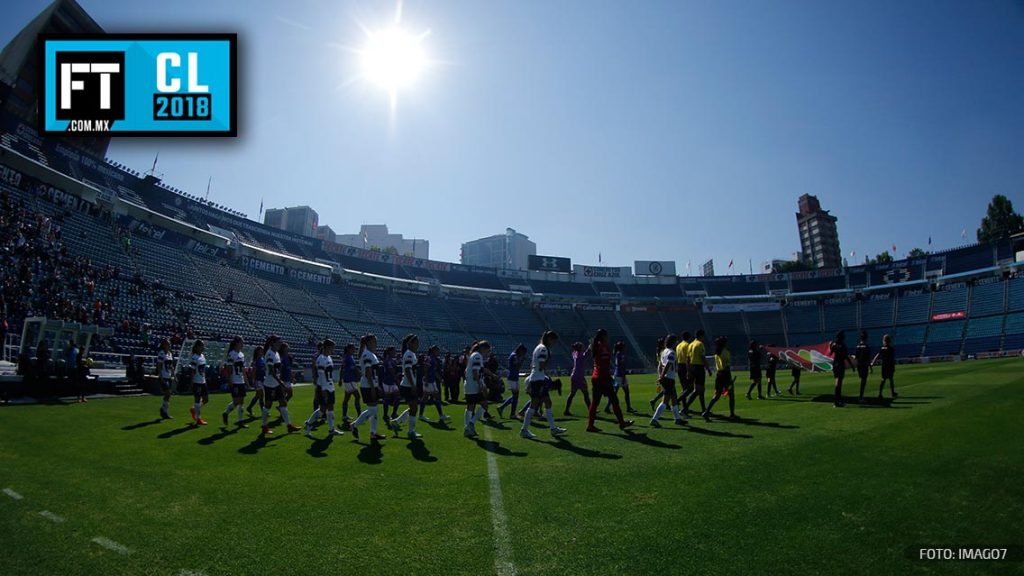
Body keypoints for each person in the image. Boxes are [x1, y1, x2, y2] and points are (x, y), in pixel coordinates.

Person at [520, 331, 568, 439]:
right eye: (554, 341)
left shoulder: (539, 347)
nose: (554, 343)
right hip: (538, 380)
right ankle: (524, 429)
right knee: (534, 404)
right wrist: (549, 359)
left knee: (547, 402)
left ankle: (553, 428)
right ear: (550, 339)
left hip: (537, 378)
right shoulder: (543, 349)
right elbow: (542, 366)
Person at [585, 332, 634, 432]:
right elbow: (603, 364)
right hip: (603, 378)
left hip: (596, 377)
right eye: (607, 336)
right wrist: (608, 377)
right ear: (604, 337)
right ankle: (621, 423)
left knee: (595, 403)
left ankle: (590, 425)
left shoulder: (595, 346)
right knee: (614, 401)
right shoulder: (603, 347)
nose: (608, 338)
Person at [349, 334, 387, 441]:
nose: (376, 343)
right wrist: (373, 387)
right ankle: (354, 425)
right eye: (374, 341)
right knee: (372, 410)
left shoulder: (368, 353)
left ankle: (373, 433)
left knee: (374, 410)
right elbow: (368, 372)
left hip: (371, 384)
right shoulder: (367, 354)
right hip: (368, 385)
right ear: (369, 342)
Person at [304, 338, 343, 437]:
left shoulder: (328, 357)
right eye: (332, 348)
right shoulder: (321, 359)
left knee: (329, 408)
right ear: (326, 347)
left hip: (330, 386)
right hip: (324, 387)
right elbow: (321, 376)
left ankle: (331, 429)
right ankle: (309, 424)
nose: (333, 350)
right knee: (322, 409)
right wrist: (323, 389)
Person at [261, 336, 300, 435]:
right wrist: (281, 383)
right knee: (268, 405)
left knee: (283, 403)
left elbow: (278, 370)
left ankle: (289, 425)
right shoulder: (269, 353)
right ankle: (264, 426)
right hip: (270, 384)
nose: (280, 344)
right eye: (278, 342)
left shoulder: (276, 353)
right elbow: (271, 371)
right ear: (273, 343)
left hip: (276, 383)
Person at [390, 334, 423, 439]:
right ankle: (411, 431)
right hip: (408, 385)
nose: (418, 344)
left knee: (413, 408)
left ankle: (397, 421)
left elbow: (411, 369)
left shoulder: (411, 354)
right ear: (411, 343)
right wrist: (413, 385)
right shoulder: (409, 354)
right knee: (414, 408)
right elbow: (408, 370)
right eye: (417, 342)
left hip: (408, 384)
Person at [650, 334, 685, 428]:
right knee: (665, 401)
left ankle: (677, 419)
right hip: (669, 378)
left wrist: (660, 375)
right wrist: (662, 376)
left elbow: (660, 365)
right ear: (673, 342)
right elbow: (668, 365)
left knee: (674, 399)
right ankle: (654, 419)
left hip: (667, 378)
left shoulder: (664, 351)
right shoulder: (671, 352)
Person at [463, 340, 498, 438]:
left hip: (469, 385)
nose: (488, 353)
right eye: (488, 350)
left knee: (470, 407)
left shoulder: (474, 355)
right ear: (483, 348)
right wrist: (481, 385)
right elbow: (475, 372)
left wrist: (492, 374)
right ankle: (471, 423)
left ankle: (467, 429)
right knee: (485, 405)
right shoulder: (477, 356)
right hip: (474, 385)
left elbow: (480, 369)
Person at [702, 336, 738, 421]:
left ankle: (706, 412)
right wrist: (729, 379)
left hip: (719, 375)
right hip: (725, 374)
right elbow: (726, 365)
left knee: (717, 396)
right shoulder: (725, 351)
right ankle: (732, 415)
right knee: (731, 395)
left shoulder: (717, 352)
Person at [221, 336, 249, 428]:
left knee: (241, 401)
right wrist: (230, 380)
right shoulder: (231, 354)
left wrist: (246, 380)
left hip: (240, 380)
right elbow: (229, 368)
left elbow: (243, 369)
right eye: (241, 342)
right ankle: (226, 413)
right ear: (237, 343)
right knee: (236, 401)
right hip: (235, 380)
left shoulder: (241, 354)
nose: (243, 344)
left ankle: (241, 421)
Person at [418, 345, 449, 422]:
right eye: (437, 350)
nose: (438, 352)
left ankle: (421, 415)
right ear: (434, 351)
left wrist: (440, 379)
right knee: (435, 397)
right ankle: (440, 415)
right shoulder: (429, 358)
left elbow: (434, 371)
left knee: (426, 397)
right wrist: (426, 378)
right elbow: (425, 368)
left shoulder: (434, 359)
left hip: (431, 380)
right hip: (429, 381)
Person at [497, 344, 527, 419]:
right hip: (512, 377)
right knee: (515, 396)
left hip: (514, 377)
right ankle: (512, 414)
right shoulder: (514, 356)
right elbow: (517, 366)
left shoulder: (514, 355)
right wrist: (522, 359)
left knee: (515, 396)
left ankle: (502, 408)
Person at [564, 342, 591, 416]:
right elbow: (587, 354)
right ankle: (591, 410)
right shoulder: (580, 354)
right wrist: (590, 346)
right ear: (580, 348)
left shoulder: (575, 353)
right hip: (579, 376)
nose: (583, 347)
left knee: (572, 394)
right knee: (586, 394)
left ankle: (566, 410)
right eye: (582, 346)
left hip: (574, 375)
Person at [829, 331, 856, 407]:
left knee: (837, 382)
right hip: (840, 365)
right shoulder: (843, 345)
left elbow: (830, 353)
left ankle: (838, 400)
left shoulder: (834, 345)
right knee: (839, 383)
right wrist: (852, 366)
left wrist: (830, 346)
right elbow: (846, 357)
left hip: (835, 365)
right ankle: (836, 401)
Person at [188, 340, 209, 426]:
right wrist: (192, 382)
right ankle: (198, 418)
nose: (203, 348)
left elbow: (203, 370)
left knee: (206, 399)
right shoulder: (194, 357)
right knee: (197, 400)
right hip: (197, 381)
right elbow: (192, 371)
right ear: (197, 347)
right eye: (201, 346)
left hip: (202, 380)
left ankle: (194, 409)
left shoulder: (202, 356)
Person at [871, 334, 898, 399]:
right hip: (890, 365)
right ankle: (892, 393)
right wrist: (893, 366)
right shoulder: (891, 348)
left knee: (883, 379)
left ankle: (880, 394)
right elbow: (892, 358)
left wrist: (873, 362)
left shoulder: (882, 348)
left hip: (884, 365)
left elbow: (877, 356)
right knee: (891, 379)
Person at [339, 343, 361, 422]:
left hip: (350, 380)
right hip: (349, 380)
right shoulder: (347, 358)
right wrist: (340, 379)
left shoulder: (350, 357)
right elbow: (342, 368)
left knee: (347, 398)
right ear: (348, 349)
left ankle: (344, 415)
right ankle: (359, 415)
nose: (354, 350)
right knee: (357, 396)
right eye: (353, 348)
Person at [380, 346, 401, 421]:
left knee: (397, 397)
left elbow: (395, 363)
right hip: (388, 382)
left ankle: (393, 413)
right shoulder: (388, 360)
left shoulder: (390, 360)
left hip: (391, 382)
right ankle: (386, 415)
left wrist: (398, 359)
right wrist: (397, 379)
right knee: (387, 399)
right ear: (390, 352)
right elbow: (391, 371)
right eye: (394, 351)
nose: (395, 352)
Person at [157, 338, 175, 419]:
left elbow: (171, 366)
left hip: (169, 376)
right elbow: (159, 365)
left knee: (168, 394)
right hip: (164, 376)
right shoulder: (161, 353)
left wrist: (174, 375)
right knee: (167, 392)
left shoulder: (170, 354)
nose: (169, 345)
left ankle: (163, 409)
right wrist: (160, 376)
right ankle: (164, 411)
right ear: (164, 345)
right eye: (168, 344)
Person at [647, 337, 667, 410]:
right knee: (667, 389)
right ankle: (654, 401)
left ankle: (665, 402)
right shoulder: (663, 351)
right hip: (664, 370)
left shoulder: (659, 351)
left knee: (666, 389)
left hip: (661, 369)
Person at [245, 345, 265, 417]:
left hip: (262, 379)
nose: (262, 352)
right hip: (258, 380)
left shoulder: (262, 359)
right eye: (261, 350)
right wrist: (253, 380)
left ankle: (249, 408)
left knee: (258, 396)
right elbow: (254, 371)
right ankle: (263, 411)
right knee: (261, 396)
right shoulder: (256, 361)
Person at [854, 331, 872, 403]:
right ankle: (861, 397)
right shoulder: (866, 346)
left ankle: (861, 396)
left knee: (862, 379)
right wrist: (870, 367)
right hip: (864, 365)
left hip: (859, 365)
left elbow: (856, 357)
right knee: (863, 381)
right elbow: (868, 358)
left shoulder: (857, 346)